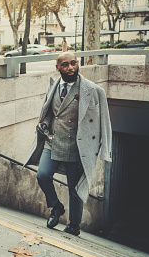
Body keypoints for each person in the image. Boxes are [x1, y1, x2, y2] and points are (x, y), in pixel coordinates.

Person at [24, 52, 112, 236]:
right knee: (42, 175)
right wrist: (45, 125)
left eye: (73, 63)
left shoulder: (94, 90)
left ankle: (74, 225)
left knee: (75, 187)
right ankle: (56, 207)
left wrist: (105, 150)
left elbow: (105, 121)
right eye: (65, 65)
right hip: (53, 142)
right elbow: (49, 113)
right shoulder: (53, 86)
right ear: (58, 68)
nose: (70, 68)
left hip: (77, 146)